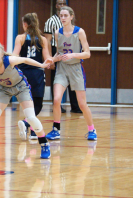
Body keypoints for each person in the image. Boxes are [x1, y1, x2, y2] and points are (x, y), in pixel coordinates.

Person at [0, 42, 52, 159]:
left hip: (21, 87)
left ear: (2, 55)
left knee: (31, 118)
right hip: (3, 89)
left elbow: (25, 60)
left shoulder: (9, 60)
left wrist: (42, 65)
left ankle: (44, 143)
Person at [46, 6, 97, 141]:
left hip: (75, 69)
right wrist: (52, 59)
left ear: (71, 17)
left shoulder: (80, 32)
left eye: (65, 16)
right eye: (61, 16)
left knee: (81, 104)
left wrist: (73, 55)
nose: (63, 18)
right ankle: (56, 129)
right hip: (62, 69)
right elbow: (59, 52)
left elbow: (87, 53)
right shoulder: (57, 33)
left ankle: (92, 129)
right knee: (56, 99)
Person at [13, 13, 60, 140]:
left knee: (28, 104)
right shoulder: (43, 39)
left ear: (25, 24)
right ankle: (27, 124)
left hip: (23, 74)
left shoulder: (20, 38)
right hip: (37, 73)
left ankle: (32, 129)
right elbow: (47, 59)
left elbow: (15, 56)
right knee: (37, 104)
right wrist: (54, 59)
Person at [44, 0, 81, 113]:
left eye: (63, 3)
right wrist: (51, 58)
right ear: (56, 6)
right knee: (57, 79)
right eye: (59, 4)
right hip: (57, 50)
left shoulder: (72, 25)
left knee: (73, 79)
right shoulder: (51, 21)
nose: (61, 6)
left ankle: (75, 106)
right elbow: (47, 41)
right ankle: (57, 105)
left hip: (70, 51)